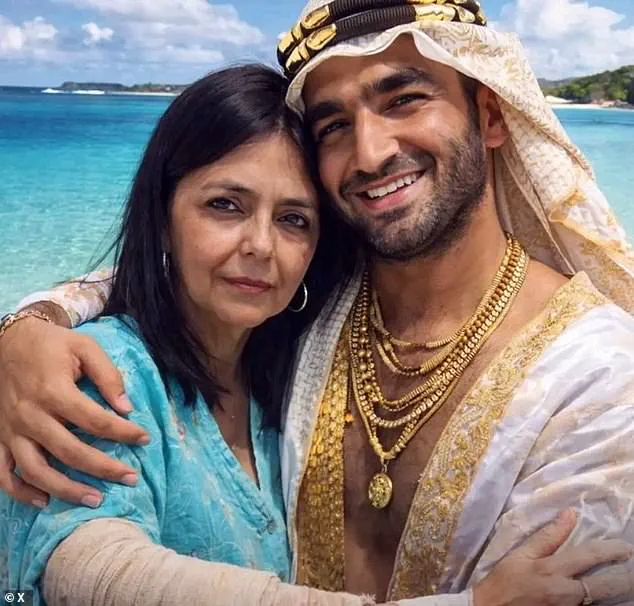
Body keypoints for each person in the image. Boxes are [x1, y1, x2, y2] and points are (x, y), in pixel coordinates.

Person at [2, 0, 634, 604]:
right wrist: (29, 326)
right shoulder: (315, 309)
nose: (370, 153)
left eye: (404, 99)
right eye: (333, 126)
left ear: (491, 114)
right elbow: (172, 270)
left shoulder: (598, 379)